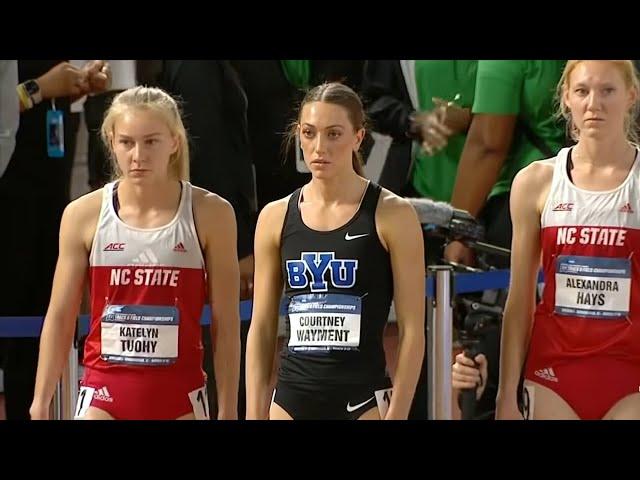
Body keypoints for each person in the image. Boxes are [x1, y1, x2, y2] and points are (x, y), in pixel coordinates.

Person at [29, 86, 241, 420]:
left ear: (174, 142)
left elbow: (226, 323)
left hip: (180, 396)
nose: (138, 155)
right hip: (105, 391)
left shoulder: (211, 213)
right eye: (127, 142)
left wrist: (228, 410)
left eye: (151, 141)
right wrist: (41, 400)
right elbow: (60, 315)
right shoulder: (82, 214)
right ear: (111, 141)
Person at [454, 60, 640, 420]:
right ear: (566, 97)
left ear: (630, 95)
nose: (593, 103)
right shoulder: (535, 182)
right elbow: (520, 297)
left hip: (630, 371)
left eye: (607, 91)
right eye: (582, 91)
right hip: (554, 372)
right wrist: (506, 393)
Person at [245, 82, 425, 420]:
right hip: (292, 399)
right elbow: (263, 326)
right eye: (310, 133)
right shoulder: (275, 216)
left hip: (361, 398)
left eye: (333, 134)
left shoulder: (393, 214)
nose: (319, 147)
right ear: (298, 134)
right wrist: (255, 412)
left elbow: (413, 328)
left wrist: (398, 413)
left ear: (358, 137)